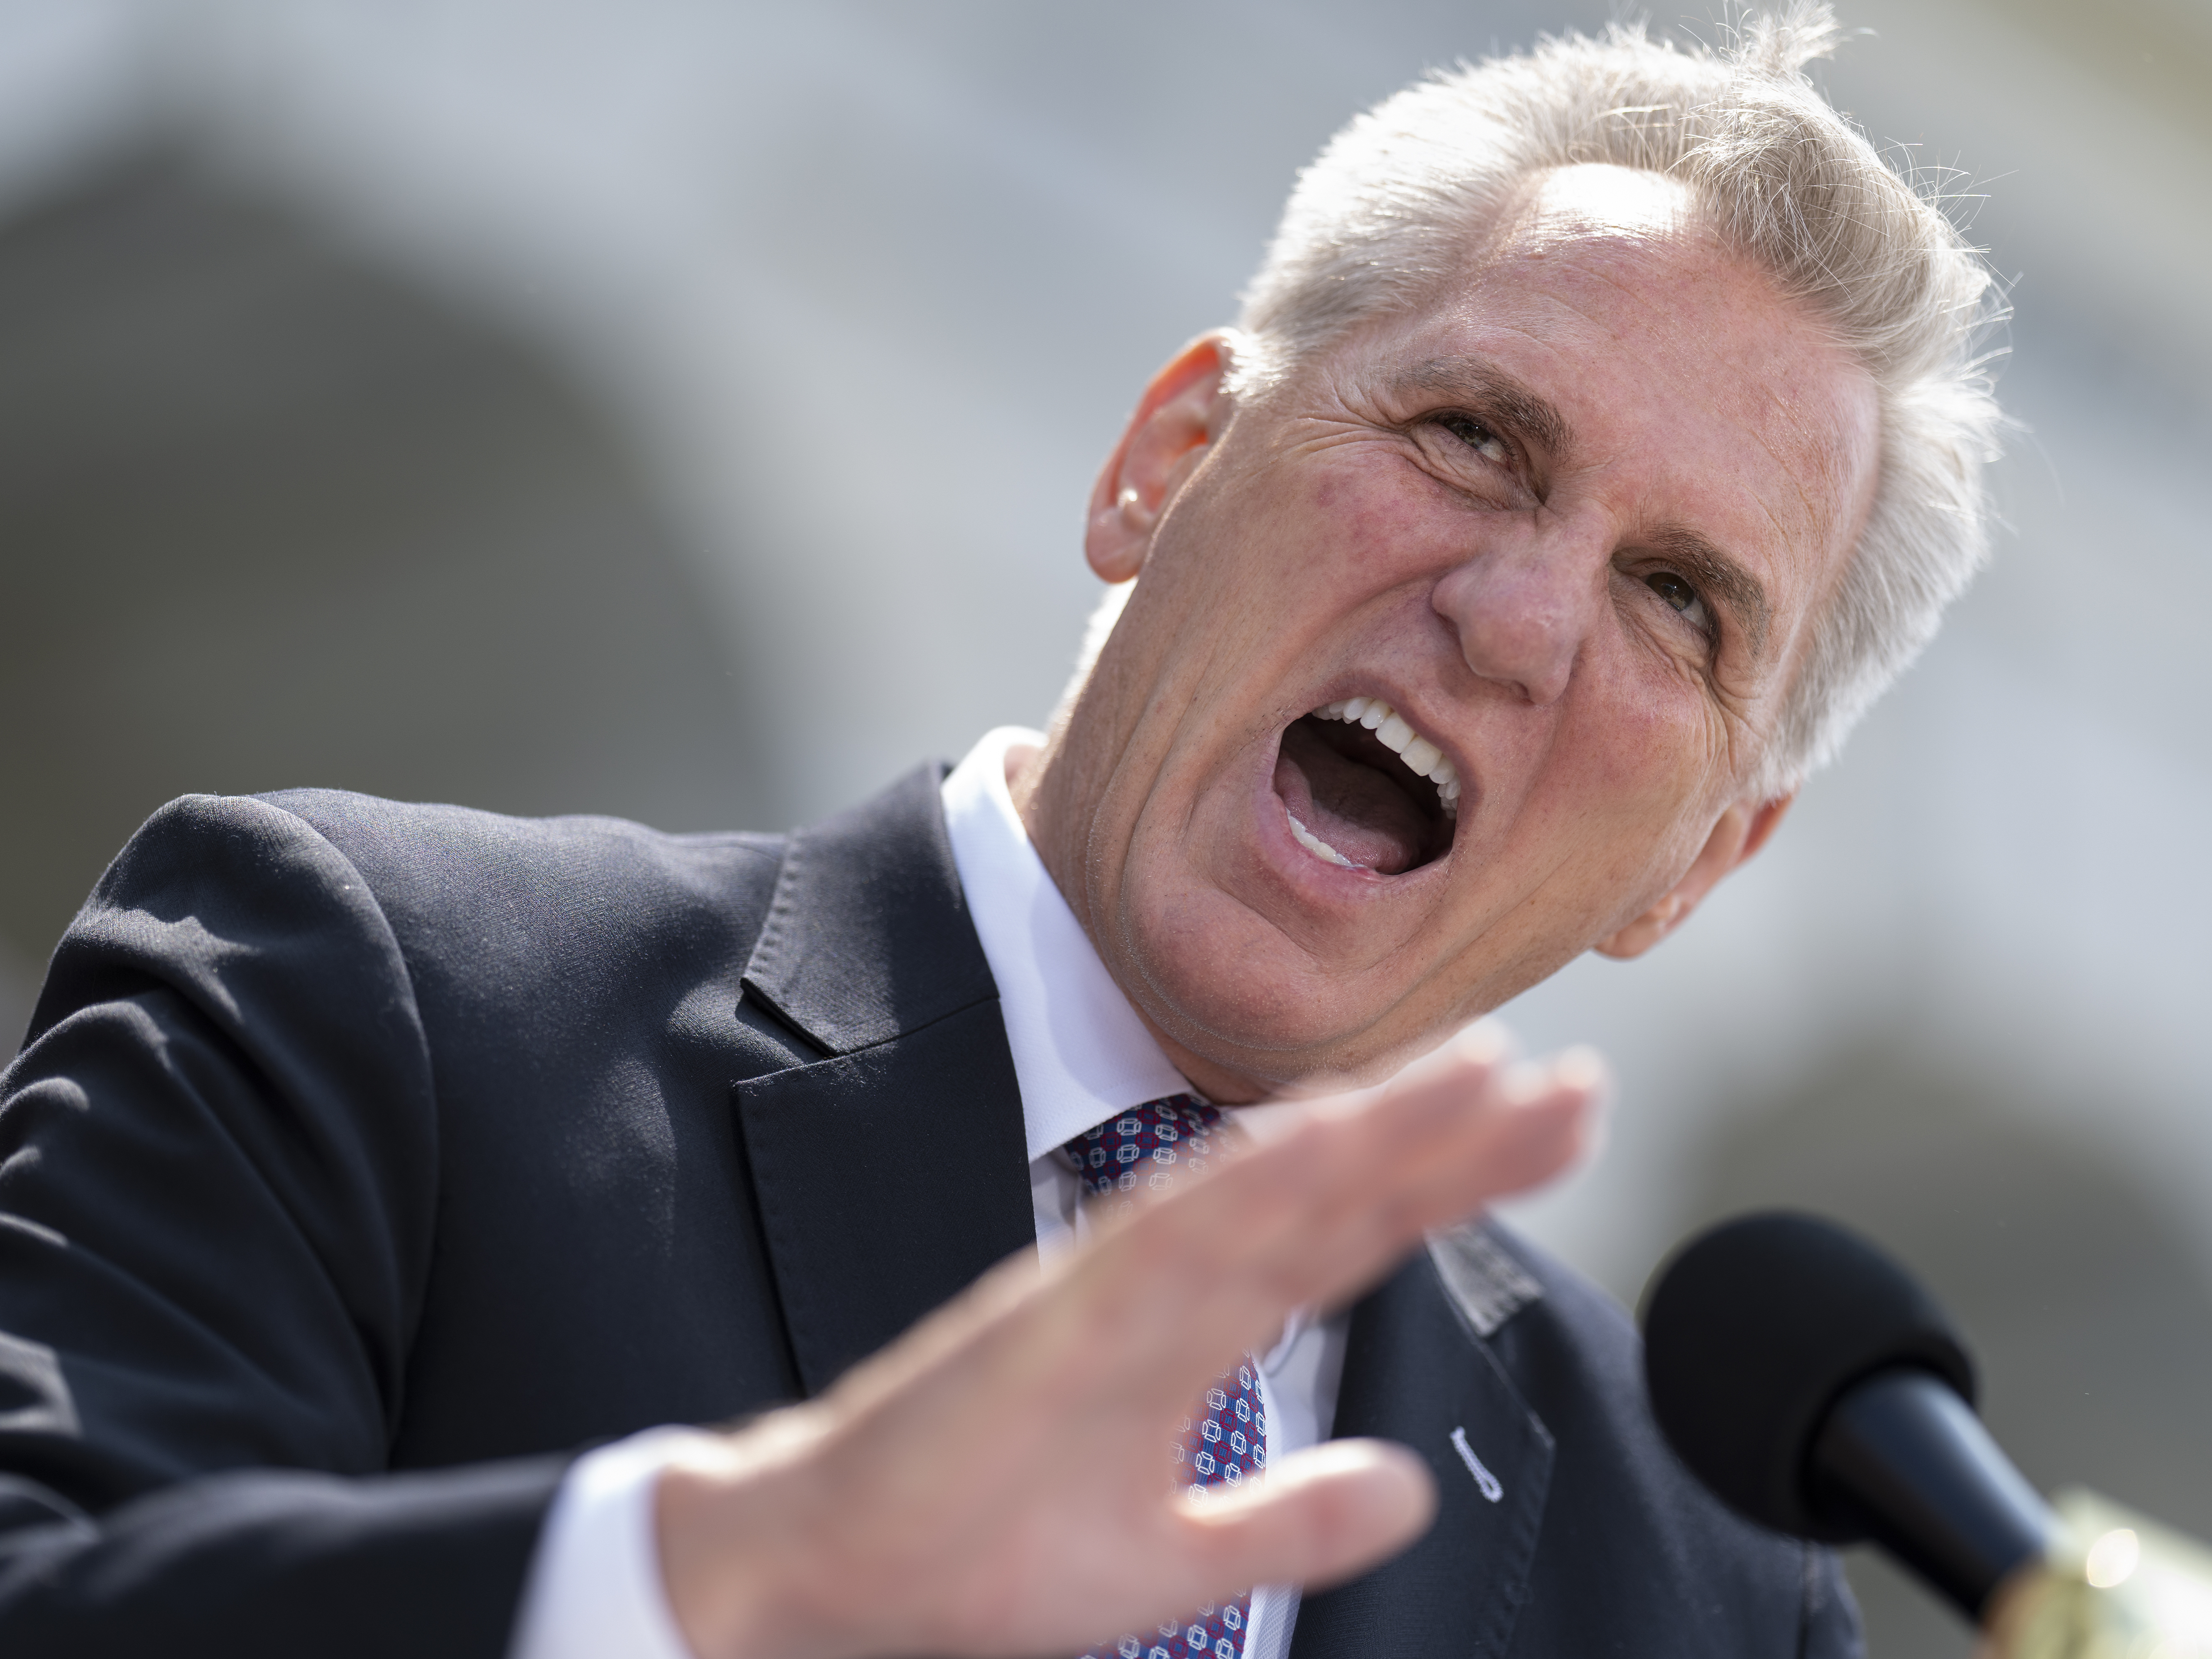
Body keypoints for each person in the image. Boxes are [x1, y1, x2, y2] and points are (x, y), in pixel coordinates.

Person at [0, 8, 2002, 1657]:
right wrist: (720, 1579)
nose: (1522, 617)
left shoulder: (1717, 1577)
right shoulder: (377, 994)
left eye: (1680, 601)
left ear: (1699, 869)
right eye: (1474, 438)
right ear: (1167, 463)